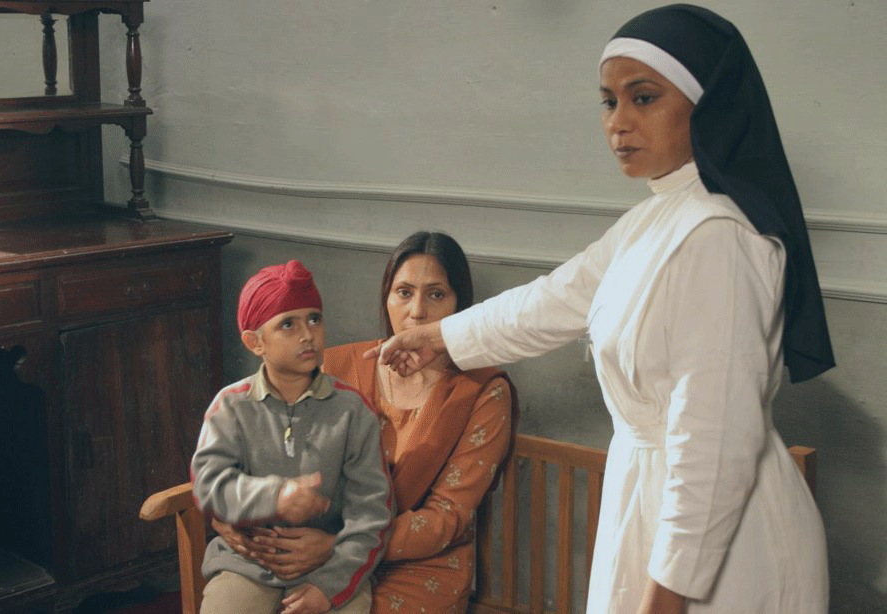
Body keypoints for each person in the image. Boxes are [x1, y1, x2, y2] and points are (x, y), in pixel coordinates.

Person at [371, 5, 833, 614]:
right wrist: (438, 337)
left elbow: (716, 439)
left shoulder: (718, 236)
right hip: (649, 499)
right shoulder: (653, 219)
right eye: (609, 102)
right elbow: (552, 300)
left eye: (643, 98)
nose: (619, 123)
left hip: (721, 536)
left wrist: (667, 594)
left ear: (707, 104)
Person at [213, 232, 519, 613]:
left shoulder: (483, 393)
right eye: (404, 292)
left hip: (415, 562)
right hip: (313, 545)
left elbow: (447, 520)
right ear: (386, 298)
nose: (417, 311)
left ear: (461, 304)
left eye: (436, 294)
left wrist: (337, 543)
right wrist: (233, 525)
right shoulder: (335, 366)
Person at [191, 260, 394, 614]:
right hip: (247, 567)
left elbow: (372, 515)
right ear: (255, 342)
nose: (307, 334)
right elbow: (208, 485)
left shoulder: (353, 411)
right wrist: (275, 496)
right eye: (288, 324)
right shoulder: (231, 407)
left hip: (329, 566)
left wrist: (327, 587)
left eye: (314, 319)